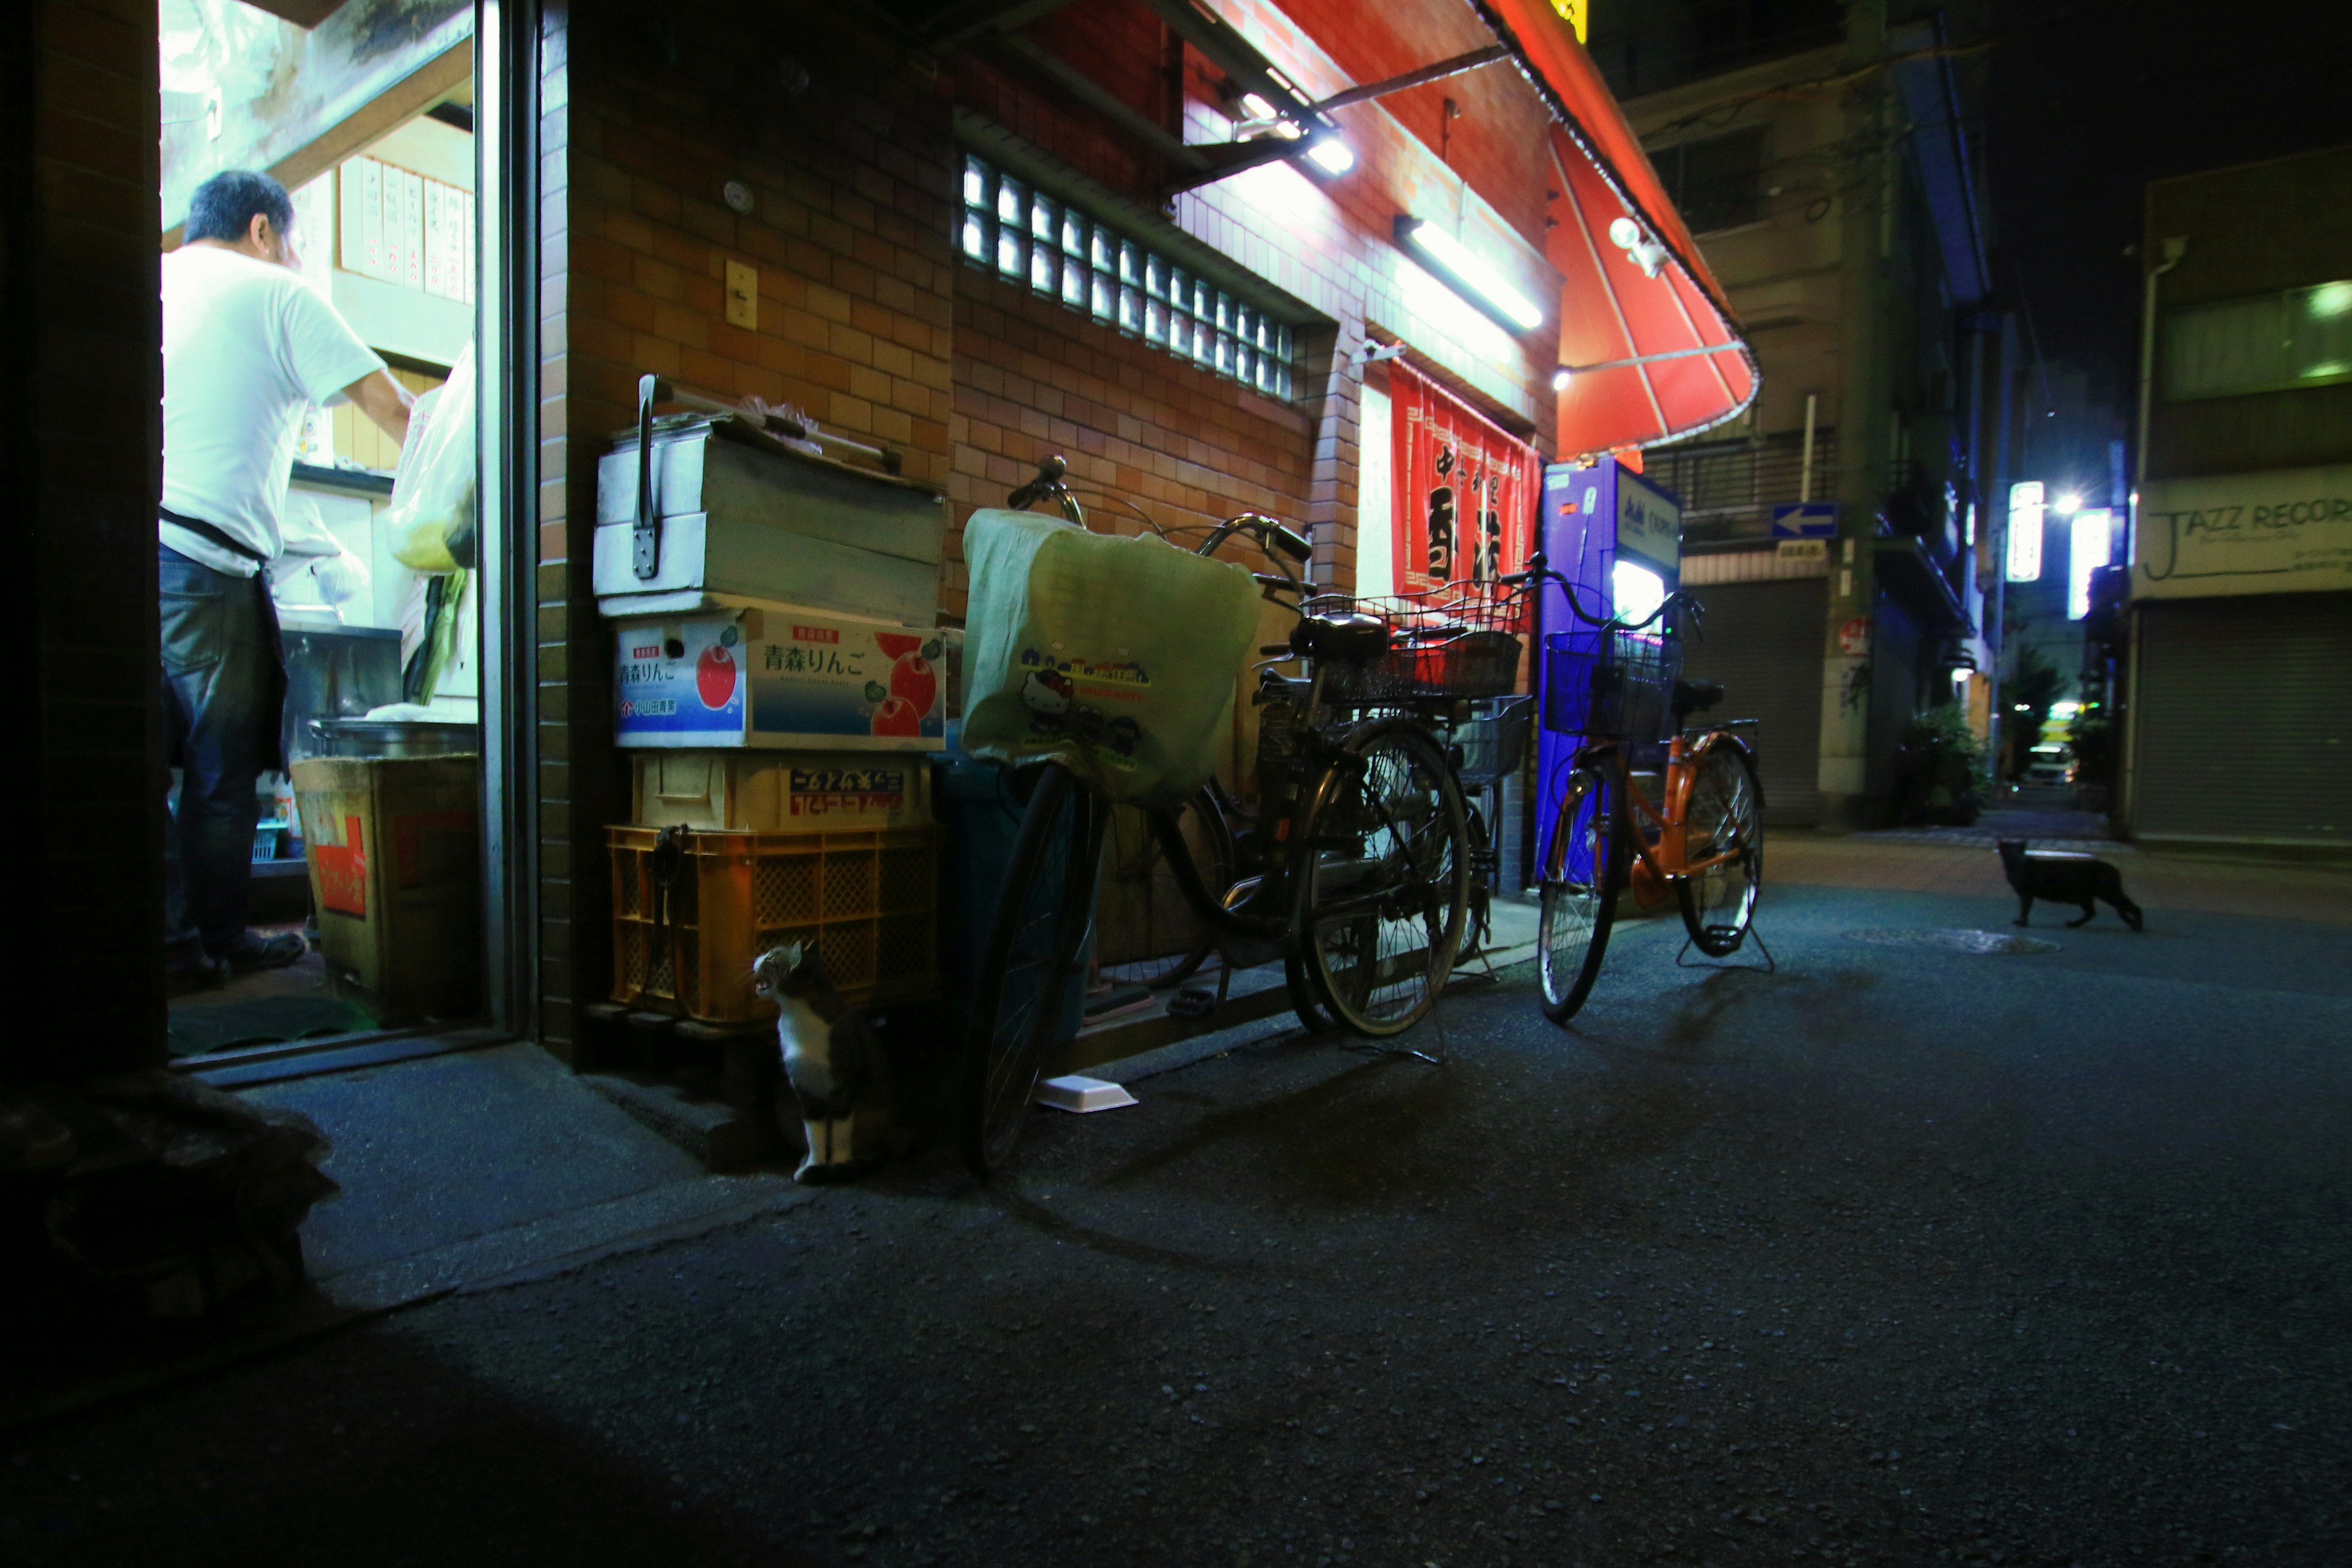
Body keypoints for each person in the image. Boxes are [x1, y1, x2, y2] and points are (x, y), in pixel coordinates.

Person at [162, 170, 415, 992]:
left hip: (123, 544)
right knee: (221, 767)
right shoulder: (276, 291)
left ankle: (170, 945)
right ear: (265, 230)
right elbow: (393, 412)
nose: (296, 256)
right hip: (205, 560)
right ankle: (219, 941)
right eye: (296, 241)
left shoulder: (154, 276)